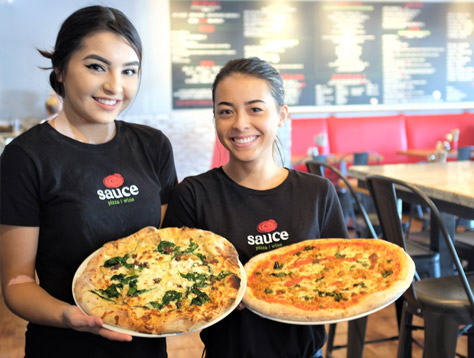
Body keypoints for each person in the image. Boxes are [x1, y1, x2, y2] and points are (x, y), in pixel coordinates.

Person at [0, 6, 177, 358]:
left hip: (148, 341)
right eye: (96, 66)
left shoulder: (153, 145)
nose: (115, 85)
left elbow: (168, 247)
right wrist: (70, 316)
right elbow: (16, 284)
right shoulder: (26, 157)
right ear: (61, 69)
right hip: (65, 344)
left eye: (129, 71)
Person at [163, 57, 349, 358]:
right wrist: (217, 295)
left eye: (255, 109)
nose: (239, 123)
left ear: (281, 115)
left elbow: (340, 275)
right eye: (226, 111)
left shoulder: (318, 192)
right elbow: (173, 281)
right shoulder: (193, 195)